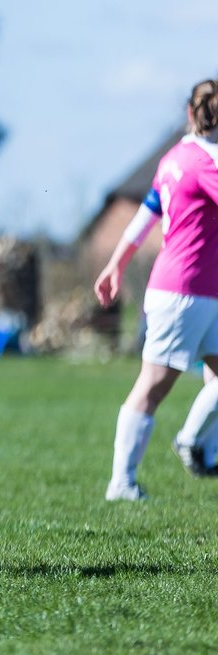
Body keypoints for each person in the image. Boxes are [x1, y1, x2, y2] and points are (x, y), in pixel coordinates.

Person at [96, 79, 218, 499]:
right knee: (152, 386)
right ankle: (123, 482)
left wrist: (115, 263)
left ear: (190, 113)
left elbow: (147, 213)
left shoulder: (173, 158)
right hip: (189, 292)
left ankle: (201, 445)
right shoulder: (209, 162)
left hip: (191, 290)